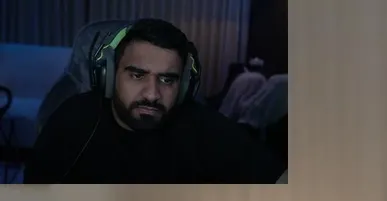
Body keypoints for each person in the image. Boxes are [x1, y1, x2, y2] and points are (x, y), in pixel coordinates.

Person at [24, 19, 283, 184]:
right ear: (109, 76)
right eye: (137, 75)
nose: (152, 94)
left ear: (184, 86)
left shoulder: (204, 127)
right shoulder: (71, 122)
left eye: (167, 80)